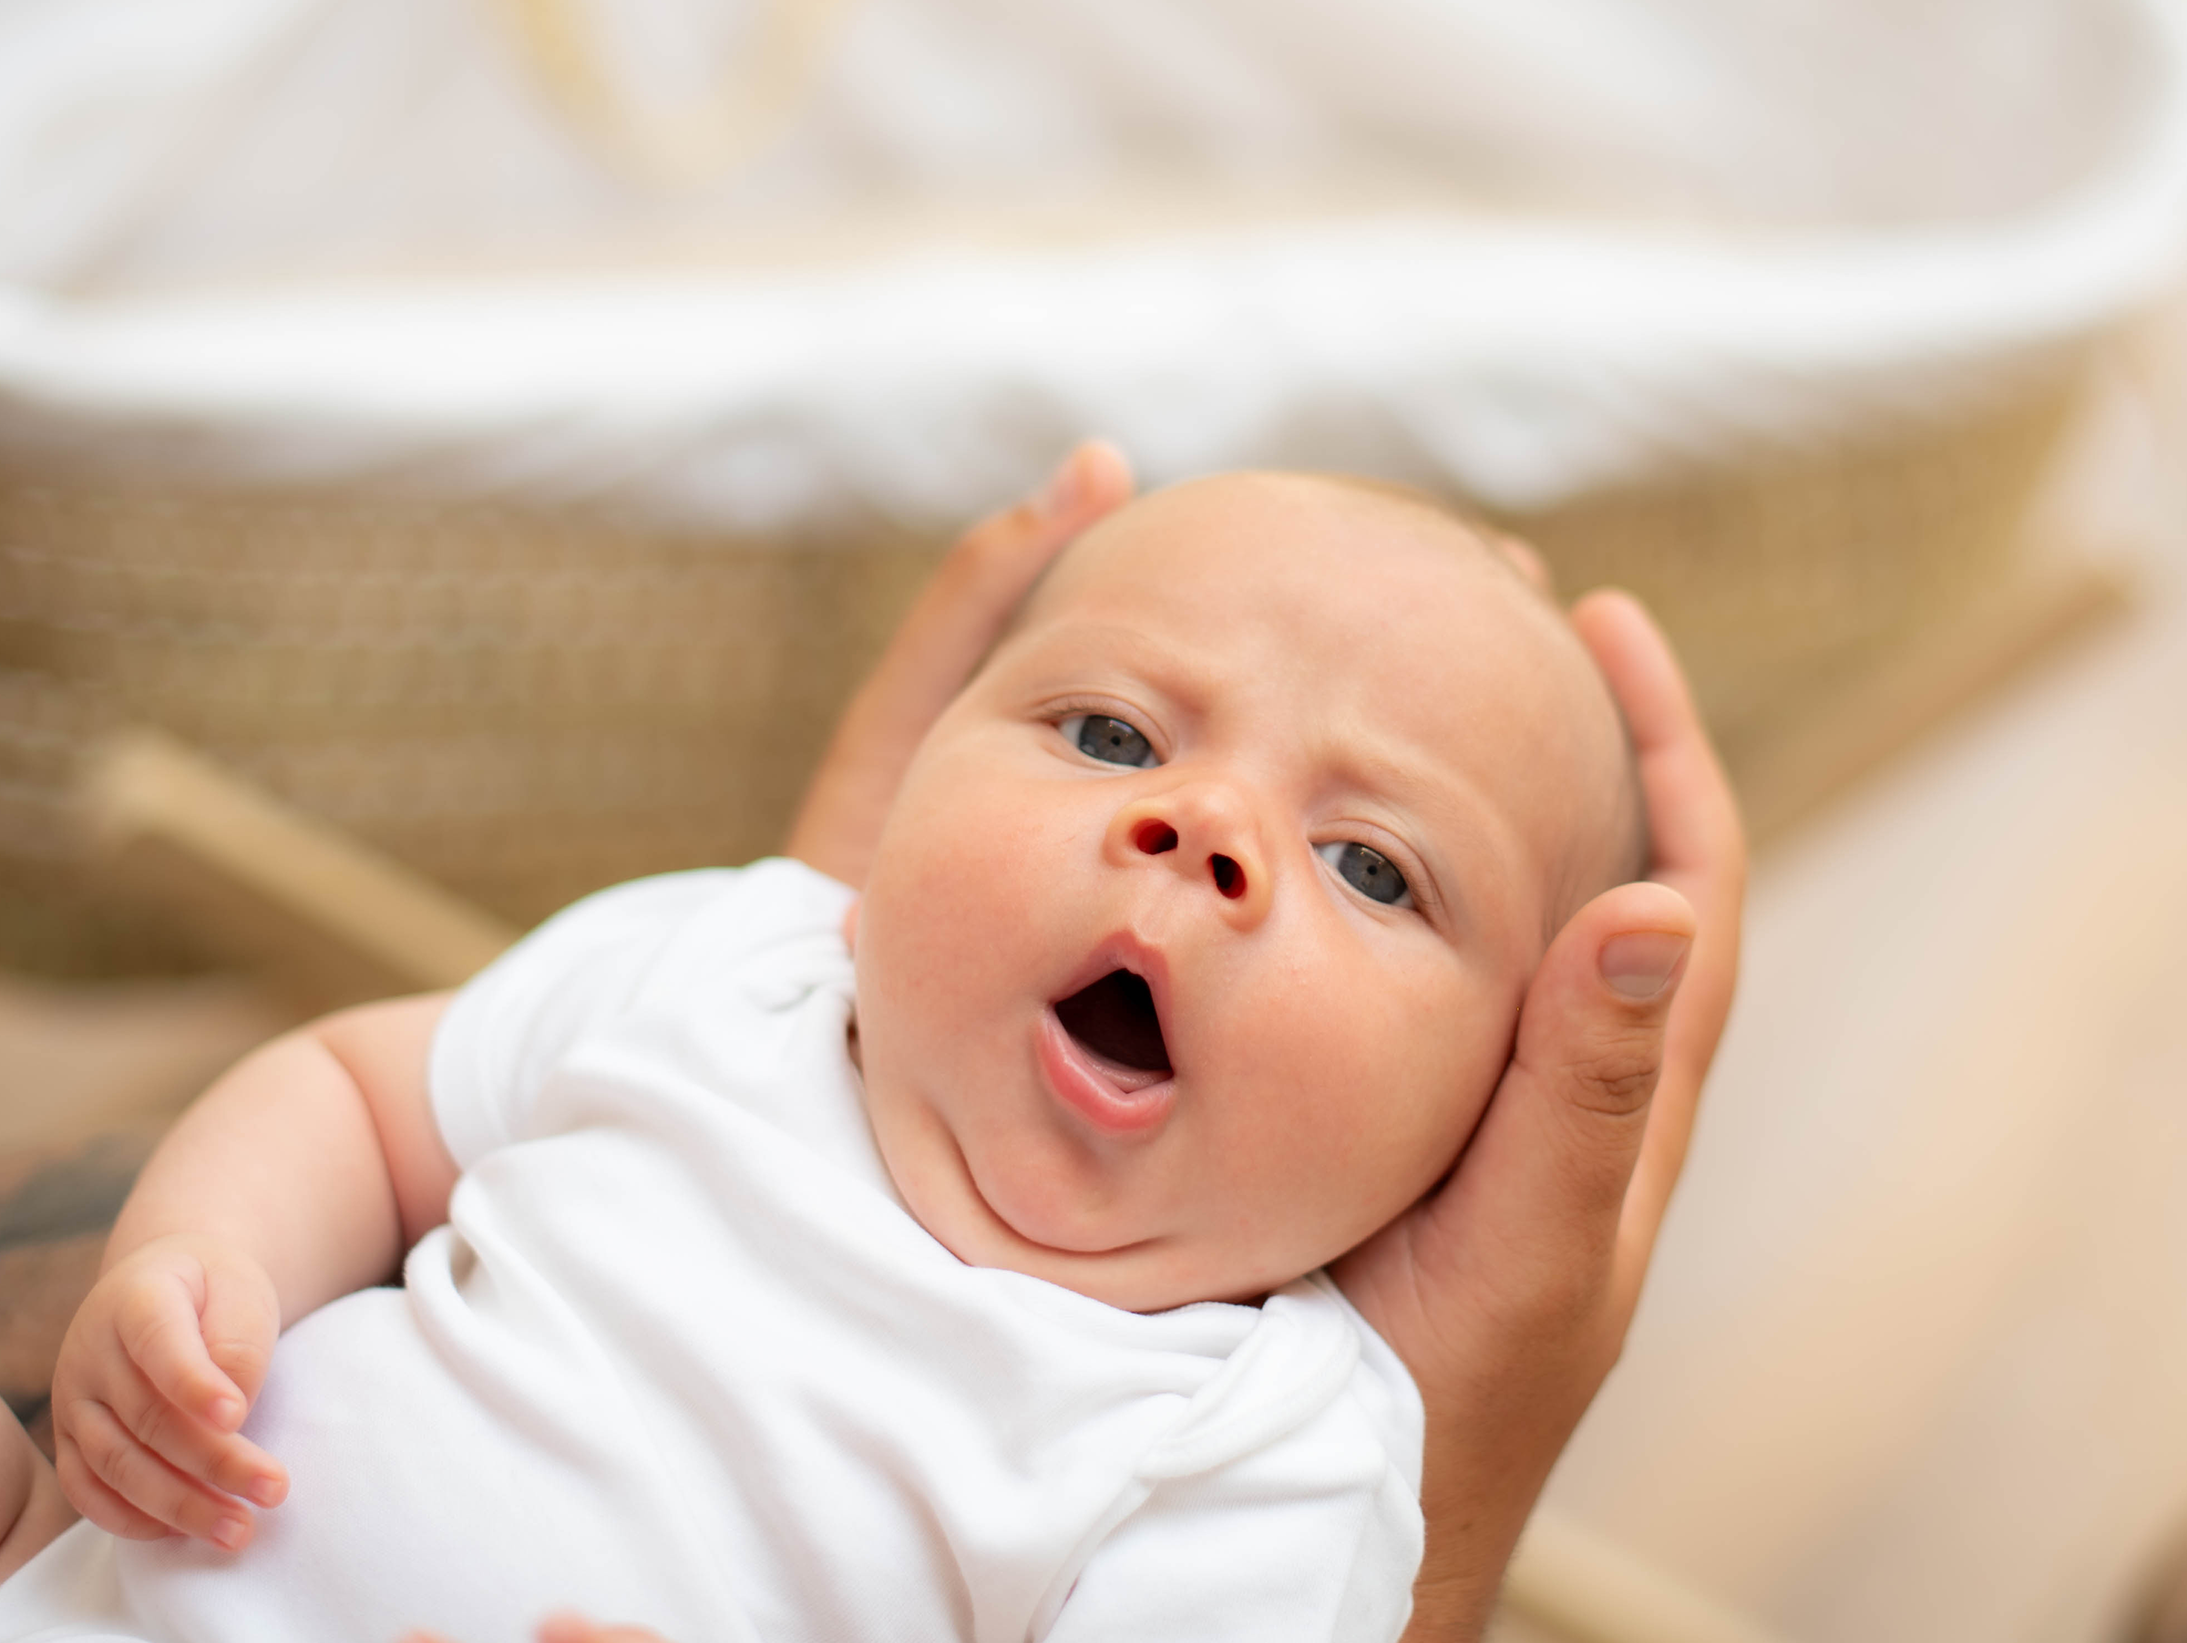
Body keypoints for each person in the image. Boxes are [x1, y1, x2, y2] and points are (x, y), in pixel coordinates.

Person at [0, 447, 1746, 1643]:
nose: (1203, 828)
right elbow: (359, 1097)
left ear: (1478, 1120)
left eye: (1373, 866)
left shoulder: (1262, 1445)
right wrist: (195, 1265)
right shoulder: (728, 966)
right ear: (917, 781)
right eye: (1110, 729)